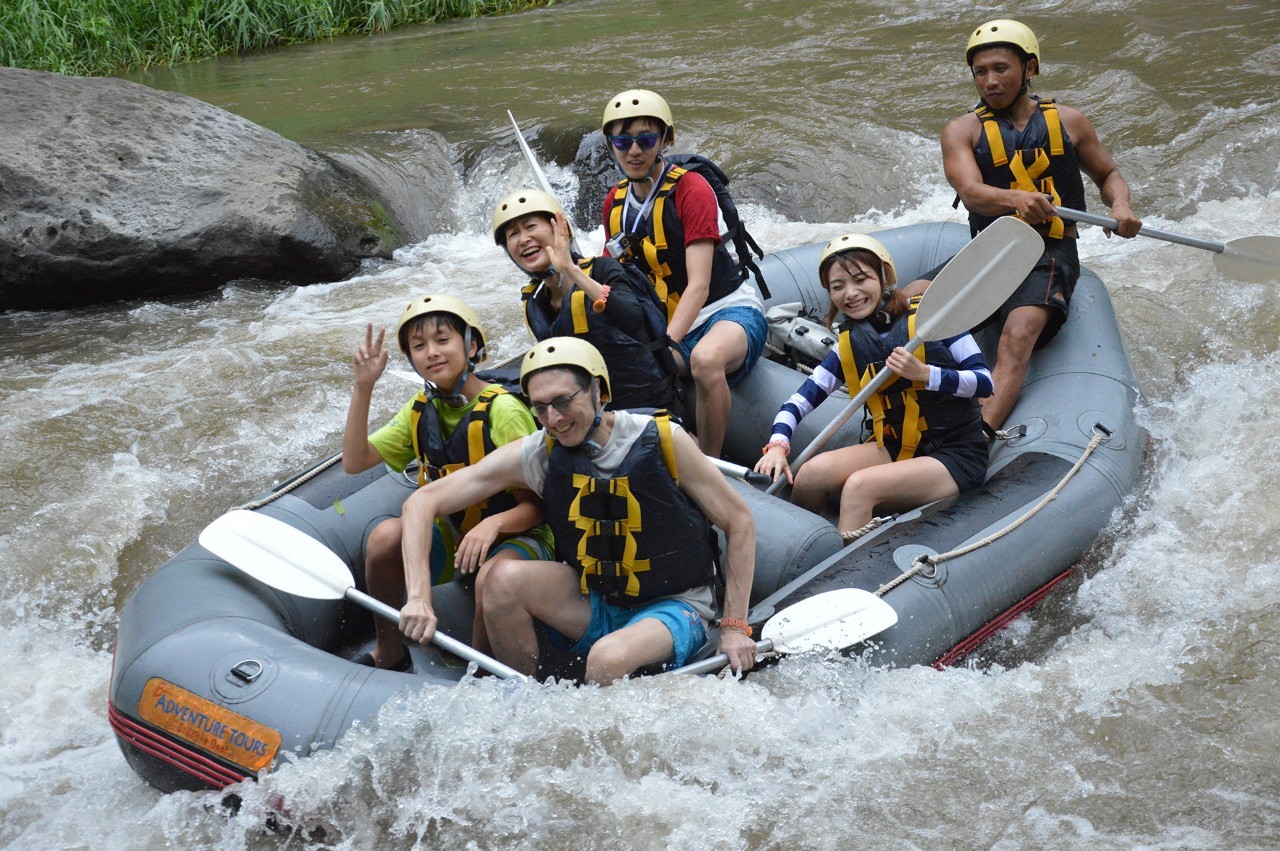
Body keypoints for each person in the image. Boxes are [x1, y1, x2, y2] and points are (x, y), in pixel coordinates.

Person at [396, 337, 757, 684]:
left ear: (598, 390)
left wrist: (734, 626)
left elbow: (738, 521)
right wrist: (417, 597)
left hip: (677, 605)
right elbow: (422, 502)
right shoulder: (539, 453)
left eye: (563, 401)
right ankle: (521, 696)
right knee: (499, 580)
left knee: (606, 659)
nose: (553, 419)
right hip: (598, 598)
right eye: (540, 407)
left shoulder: (663, 440)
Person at [908, 19, 1141, 431]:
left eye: (1001, 68)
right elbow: (971, 190)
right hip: (992, 248)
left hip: (1049, 253)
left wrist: (1120, 206)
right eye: (981, 72)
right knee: (909, 301)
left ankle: (977, 441)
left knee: (1016, 335)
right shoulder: (961, 130)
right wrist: (1015, 199)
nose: (990, 81)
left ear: (1029, 69)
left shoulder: (1069, 121)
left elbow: (1109, 176)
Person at [341, 293, 553, 670]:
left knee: (491, 575)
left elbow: (539, 506)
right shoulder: (421, 408)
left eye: (443, 340)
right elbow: (355, 462)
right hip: (457, 534)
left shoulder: (502, 411)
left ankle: (477, 672)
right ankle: (390, 649)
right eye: (418, 346)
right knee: (385, 536)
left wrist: (494, 524)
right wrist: (363, 387)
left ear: (472, 346)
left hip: (521, 535)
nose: (431, 353)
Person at [755, 234, 993, 535]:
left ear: (885, 277)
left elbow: (984, 382)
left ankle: (844, 570)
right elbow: (797, 403)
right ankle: (805, 549)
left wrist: (926, 374)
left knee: (858, 486)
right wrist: (778, 444)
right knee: (812, 474)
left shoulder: (934, 321)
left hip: (954, 453)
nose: (850, 293)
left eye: (860, 279)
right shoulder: (848, 346)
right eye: (838, 286)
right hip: (898, 446)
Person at [599, 88, 768, 458]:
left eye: (645, 139)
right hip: (668, 321)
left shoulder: (691, 189)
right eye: (622, 141)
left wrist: (662, 348)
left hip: (726, 312)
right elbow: (613, 279)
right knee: (619, 371)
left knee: (705, 360)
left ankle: (711, 463)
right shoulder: (614, 202)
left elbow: (699, 285)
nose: (634, 151)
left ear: (665, 140)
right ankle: (669, 449)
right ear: (610, 144)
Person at [492, 188, 680, 413]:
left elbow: (631, 318)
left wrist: (571, 270)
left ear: (561, 229)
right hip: (586, 420)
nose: (523, 239)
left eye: (531, 226)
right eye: (513, 234)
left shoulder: (603, 268)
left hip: (648, 410)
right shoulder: (534, 300)